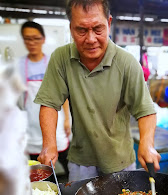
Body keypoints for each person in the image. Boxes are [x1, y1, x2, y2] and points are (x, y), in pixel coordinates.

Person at [34, 0, 161, 181]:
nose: (91, 39)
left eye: (97, 28)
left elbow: (145, 110)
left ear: (109, 23)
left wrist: (147, 144)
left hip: (120, 160)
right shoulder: (61, 58)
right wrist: (49, 144)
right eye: (82, 30)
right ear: (71, 28)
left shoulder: (127, 63)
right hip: (81, 159)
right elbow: (49, 103)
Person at [18, 21, 71, 176]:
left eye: (36, 38)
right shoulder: (20, 66)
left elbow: (64, 95)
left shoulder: (52, 63)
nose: (32, 42)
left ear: (43, 39)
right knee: (39, 171)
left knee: (66, 162)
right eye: (28, 39)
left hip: (56, 123)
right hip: (32, 126)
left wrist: (67, 119)